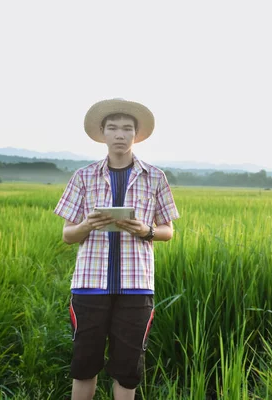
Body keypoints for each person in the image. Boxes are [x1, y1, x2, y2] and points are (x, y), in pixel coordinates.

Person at [54, 98, 180, 400]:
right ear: (103, 133)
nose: (120, 134)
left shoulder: (155, 177)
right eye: (113, 128)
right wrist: (88, 225)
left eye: (127, 129)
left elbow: (168, 230)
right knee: (84, 365)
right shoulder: (83, 177)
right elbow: (67, 235)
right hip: (89, 287)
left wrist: (146, 231)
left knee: (128, 368)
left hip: (136, 288)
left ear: (136, 134)